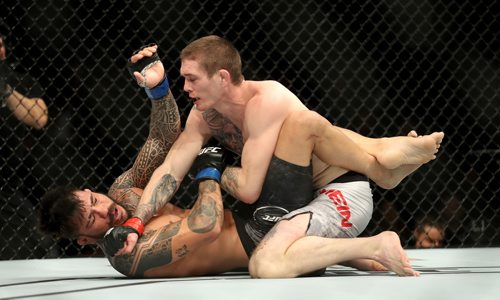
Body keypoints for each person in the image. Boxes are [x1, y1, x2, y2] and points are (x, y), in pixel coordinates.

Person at [109, 37, 444, 257]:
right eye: (182, 78)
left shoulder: (264, 101)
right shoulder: (204, 116)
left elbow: (251, 189)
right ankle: (383, 156)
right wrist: (136, 223)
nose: (185, 87)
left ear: (223, 77)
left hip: (333, 188)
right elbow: (170, 168)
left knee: (305, 124)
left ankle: (380, 163)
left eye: (192, 78)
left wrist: (211, 165)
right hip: (295, 197)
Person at [1, 33, 50, 259]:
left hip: (10, 181)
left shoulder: (20, 81)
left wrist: (6, 91)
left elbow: (39, 117)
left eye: (0, 44)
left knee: (37, 242)